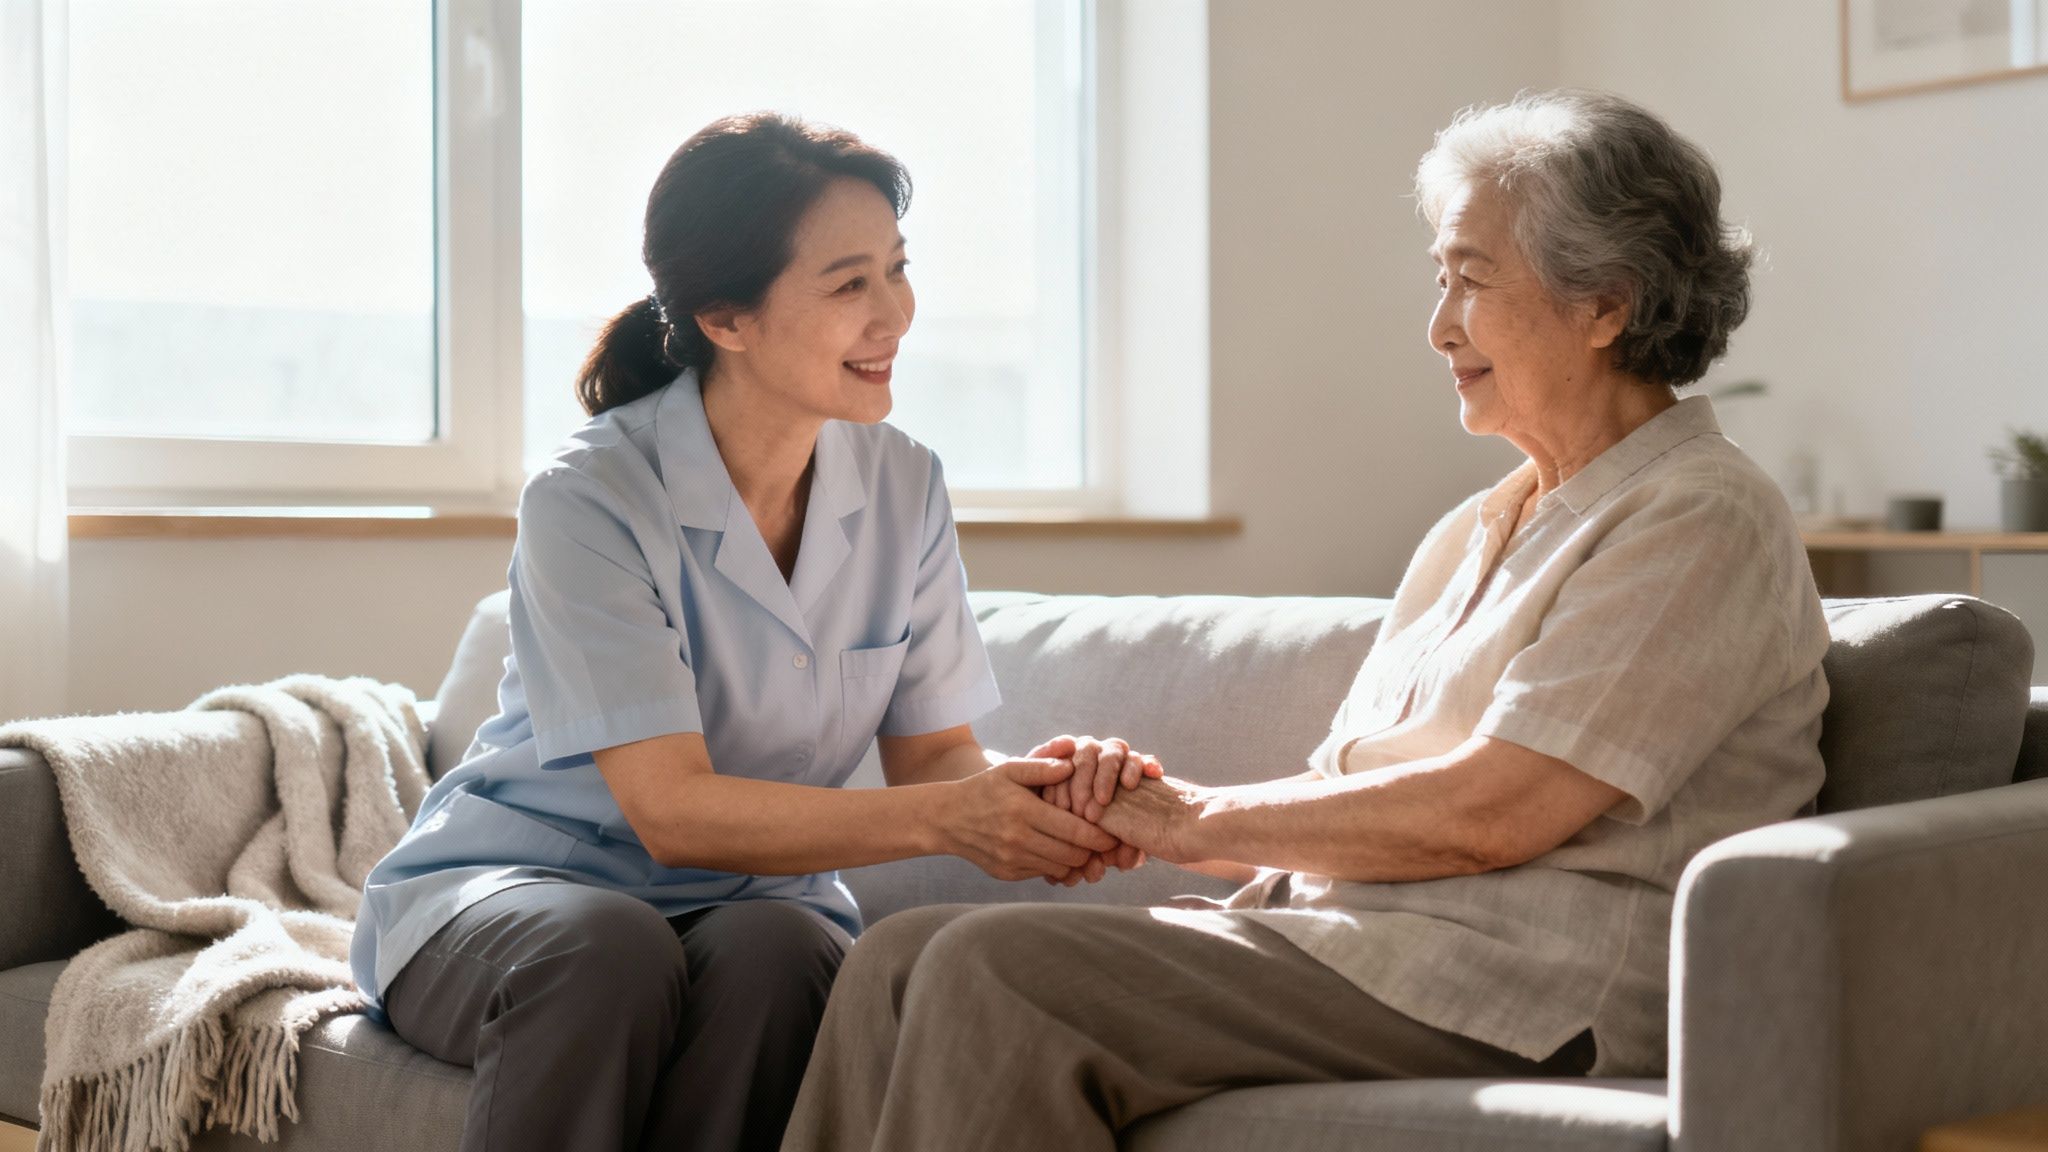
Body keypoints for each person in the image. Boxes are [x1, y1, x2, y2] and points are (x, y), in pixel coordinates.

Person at [782, 88, 1832, 1152]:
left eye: (1469, 280)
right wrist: (1141, 807)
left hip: (1523, 990)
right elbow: (1352, 802)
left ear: (1603, 304)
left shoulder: (1699, 514)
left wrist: (1187, 822)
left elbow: (1492, 813)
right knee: (896, 959)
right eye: (1440, 281)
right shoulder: (1481, 526)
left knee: (989, 972)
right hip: (1363, 950)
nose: (1437, 329)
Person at [347, 113, 1156, 1152]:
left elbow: (934, 763)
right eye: (848, 284)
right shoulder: (590, 494)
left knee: (781, 948)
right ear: (727, 319)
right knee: (606, 949)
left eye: (896, 271)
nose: (895, 315)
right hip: (519, 895)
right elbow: (671, 812)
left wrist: (1047, 795)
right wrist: (956, 818)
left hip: (750, 909)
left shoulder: (904, 483)